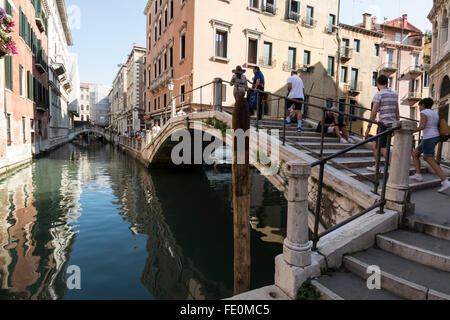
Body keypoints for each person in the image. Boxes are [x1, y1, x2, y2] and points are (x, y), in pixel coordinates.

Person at [410, 98, 450, 193]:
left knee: (429, 159)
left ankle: (445, 181)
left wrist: (410, 131)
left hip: (429, 138)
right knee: (415, 153)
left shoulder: (424, 113)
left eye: (419, 105)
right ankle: (418, 174)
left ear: (423, 105)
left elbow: (422, 126)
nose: (419, 108)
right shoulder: (434, 113)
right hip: (433, 136)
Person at [364, 75, 400, 172]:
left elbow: (374, 112)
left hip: (383, 125)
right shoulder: (394, 94)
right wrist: (397, 124)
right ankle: (376, 166)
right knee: (375, 144)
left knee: (383, 148)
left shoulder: (379, 94)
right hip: (392, 125)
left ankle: (396, 169)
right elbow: (397, 112)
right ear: (387, 82)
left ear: (377, 83)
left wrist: (368, 127)